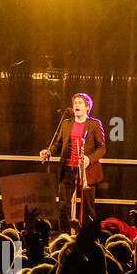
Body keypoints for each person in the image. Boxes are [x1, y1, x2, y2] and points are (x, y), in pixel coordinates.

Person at [39, 93, 106, 229]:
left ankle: (89, 237)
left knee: (88, 207)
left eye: (80, 102)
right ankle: (63, 236)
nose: (76, 105)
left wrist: (89, 159)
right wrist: (48, 151)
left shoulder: (94, 124)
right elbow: (57, 144)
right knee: (63, 205)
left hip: (87, 170)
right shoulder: (66, 123)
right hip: (67, 169)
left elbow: (102, 148)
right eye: (75, 102)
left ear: (87, 107)